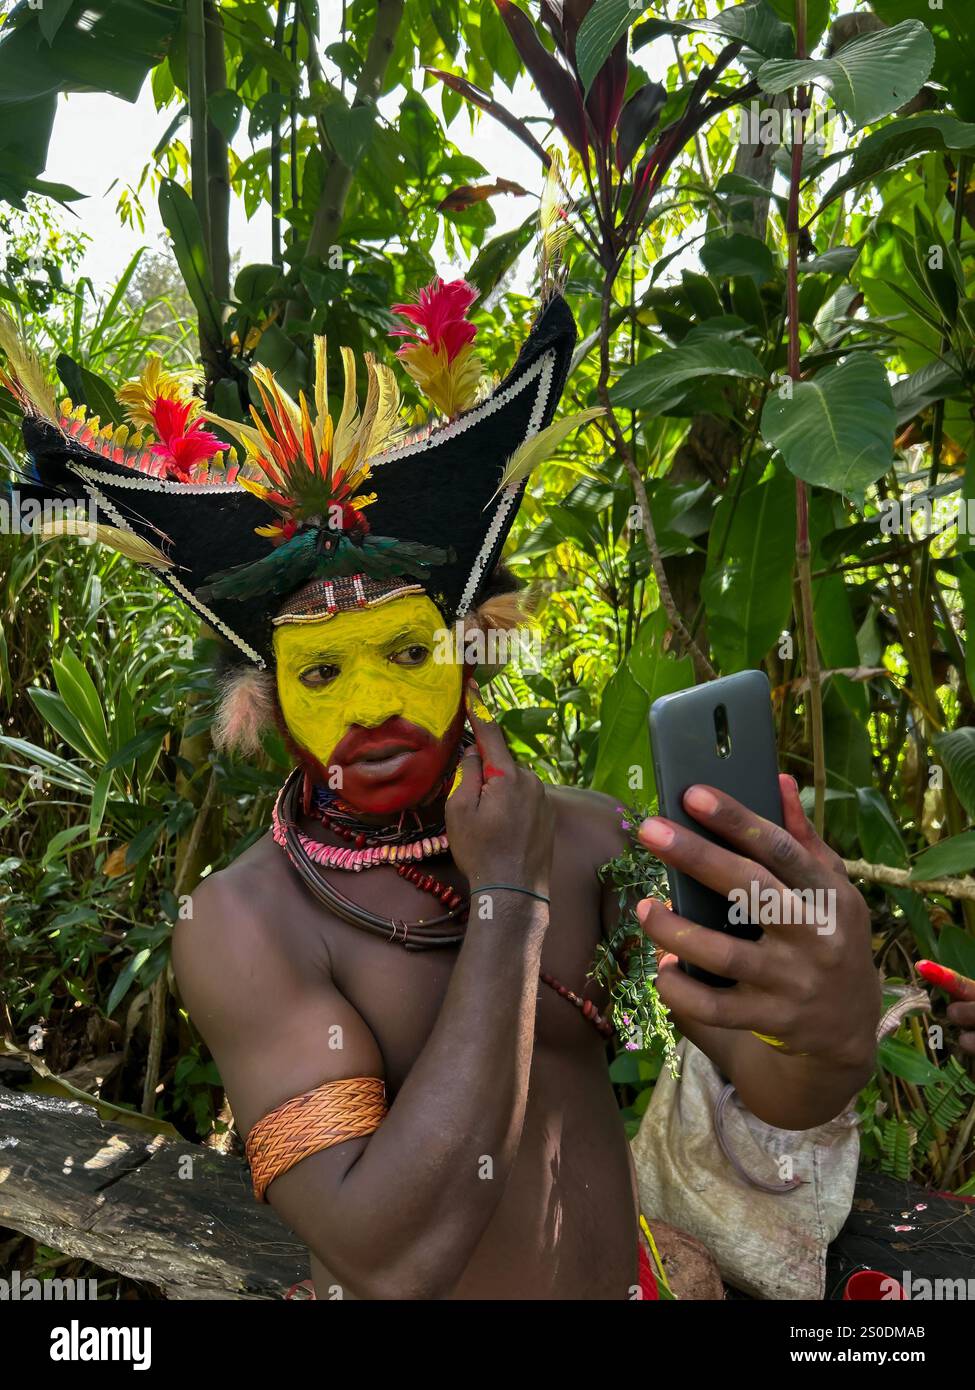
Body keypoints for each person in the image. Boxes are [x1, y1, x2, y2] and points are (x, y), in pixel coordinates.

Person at [2, 280, 882, 1300]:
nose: (372, 705)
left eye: (407, 650)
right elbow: (391, 1254)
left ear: (469, 654)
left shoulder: (591, 838)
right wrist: (507, 902)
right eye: (322, 672)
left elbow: (781, 1082)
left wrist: (831, 1026)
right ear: (271, 702)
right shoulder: (247, 922)